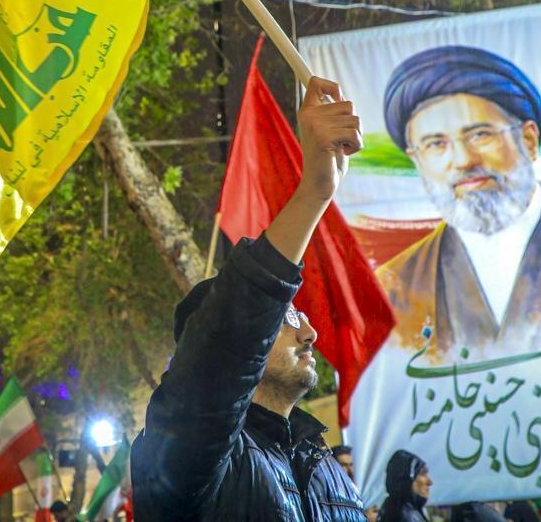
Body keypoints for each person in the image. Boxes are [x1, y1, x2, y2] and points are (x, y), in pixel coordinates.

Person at [131, 76, 367, 521]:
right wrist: (313, 193)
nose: (310, 333)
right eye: (286, 317)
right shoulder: (182, 458)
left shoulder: (329, 470)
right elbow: (230, 334)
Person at [379, 44, 541, 352]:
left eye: (480, 135)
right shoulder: (393, 288)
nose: (463, 160)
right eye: (436, 144)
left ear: (528, 140)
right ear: (417, 161)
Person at [376, 449, 430, 522]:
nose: (429, 482)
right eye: (422, 474)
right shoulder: (406, 516)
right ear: (406, 480)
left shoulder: (391, 509)